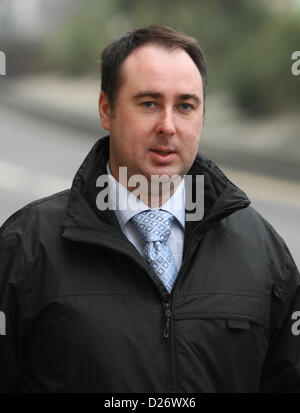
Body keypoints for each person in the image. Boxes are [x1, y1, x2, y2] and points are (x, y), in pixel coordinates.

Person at [0, 25, 299, 393]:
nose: (168, 126)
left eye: (186, 106)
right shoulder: (25, 247)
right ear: (106, 110)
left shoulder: (263, 251)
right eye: (149, 104)